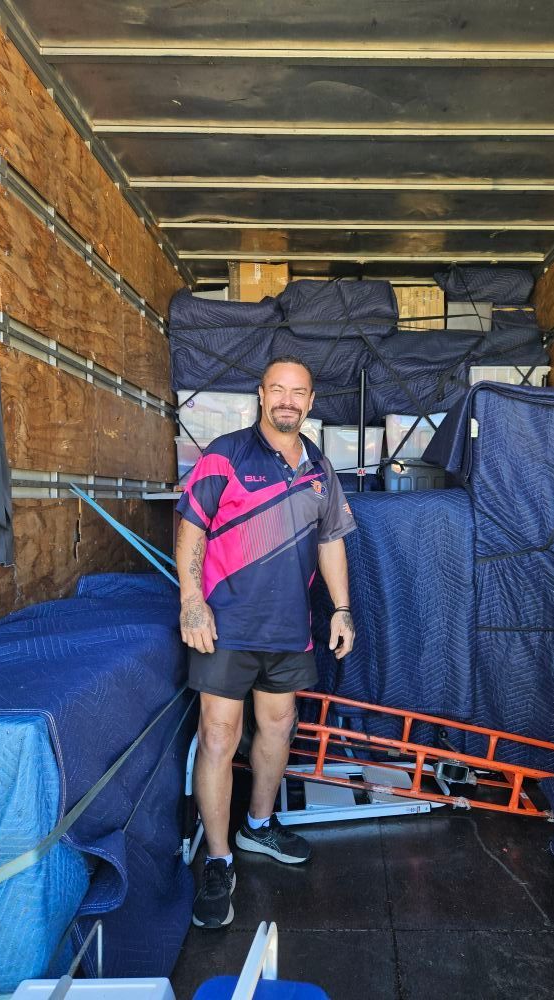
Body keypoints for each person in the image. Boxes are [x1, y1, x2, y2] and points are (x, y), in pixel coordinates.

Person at [175, 356, 356, 929]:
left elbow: (331, 543)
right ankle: (220, 857)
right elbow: (190, 528)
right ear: (260, 395)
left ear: (310, 402)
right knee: (219, 735)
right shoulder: (224, 454)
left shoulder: (320, 469)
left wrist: (343, 610)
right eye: (276, 389)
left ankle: (257, 827)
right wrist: (191, 602)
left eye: (297, 391)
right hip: (224, 626)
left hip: (289, 629)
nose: (286, 399)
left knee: (278, 728)